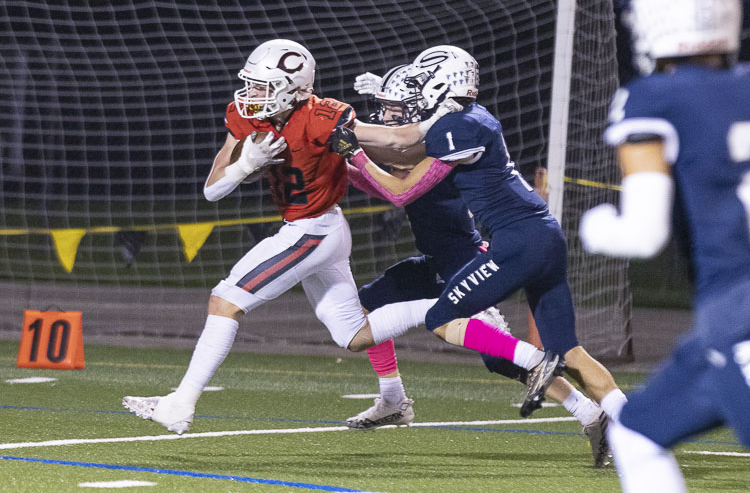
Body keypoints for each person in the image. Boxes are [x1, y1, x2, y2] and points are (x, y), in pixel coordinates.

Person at [121, 39, 453, 434]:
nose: (251, 95)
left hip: (313, 229)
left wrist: (442, 119)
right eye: (251, 85)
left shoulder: (324, 116)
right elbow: (212, 190)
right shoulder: (247, 117)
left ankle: (179, 403)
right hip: (318, 229)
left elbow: (395, 141)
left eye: (262, 87)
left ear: (293, 88)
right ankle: (432, 338)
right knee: (354, 334)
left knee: (225, 300)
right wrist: (244, 164)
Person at [331, 45, 628, 428]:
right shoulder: (458, 121)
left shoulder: (454, 130)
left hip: (497, 247)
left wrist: (349, 146)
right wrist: (363, 136)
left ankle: (563, 388)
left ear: (439, 86)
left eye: (406, 100)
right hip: (521, 240)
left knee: (467, 334)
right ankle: (629, 424)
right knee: (569, 350)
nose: (394, 113)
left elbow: (399, 177)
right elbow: (399, 148)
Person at [579, 0, 750, 491]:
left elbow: (644, 232)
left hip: (737, 309)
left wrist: (595, 226)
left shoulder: (655, 98)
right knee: (637, 432)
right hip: (720, 328)